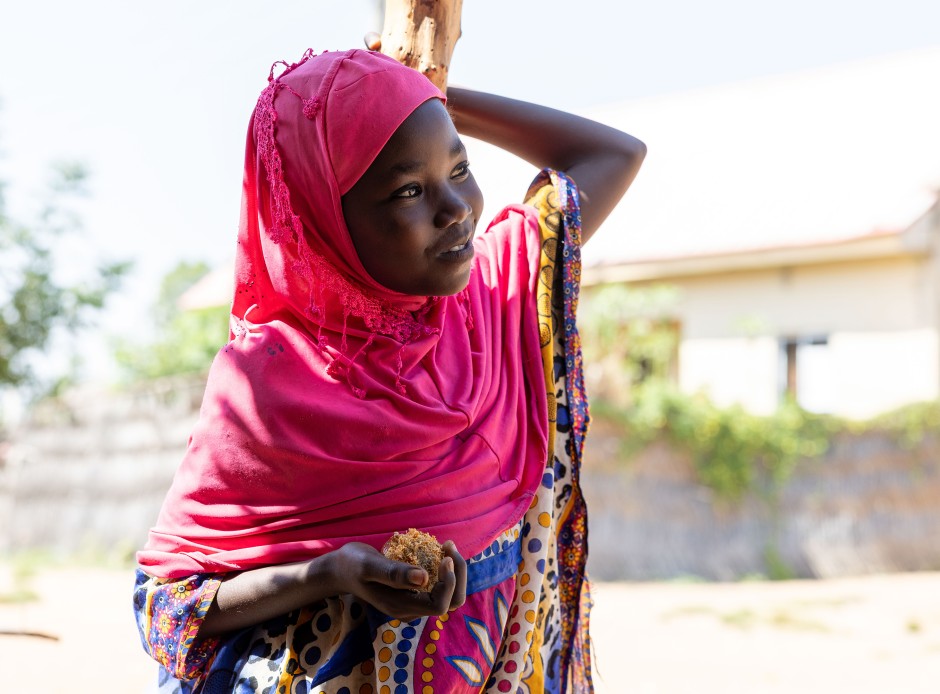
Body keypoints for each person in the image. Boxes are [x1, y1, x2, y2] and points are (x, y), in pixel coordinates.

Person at [134, 46, 645, 694]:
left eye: (460, 169)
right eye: (408, 190)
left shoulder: (494, 296)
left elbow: (614, 154)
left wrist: (427, 93)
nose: (456, 208)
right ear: (322, 219)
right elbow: (167, 605)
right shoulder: (267, 381)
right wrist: (328, 573)